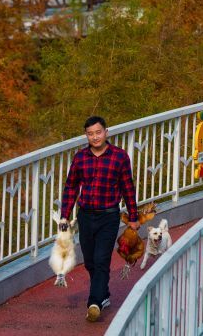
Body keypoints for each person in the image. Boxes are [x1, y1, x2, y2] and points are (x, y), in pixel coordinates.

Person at [59, 116, 140, 323]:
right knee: (90, 261)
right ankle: (103, 294)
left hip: (108, 215)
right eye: (90, 134)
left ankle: (94, 303)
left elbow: (127, 187)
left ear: (106, 132)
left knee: (102, 259)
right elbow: (71, 187)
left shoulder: (120, 157)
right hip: (85, 215)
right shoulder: (80, 158)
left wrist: (133, 216)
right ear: (86, 135)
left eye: (98, 132)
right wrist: (64, 215)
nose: (95, 137)